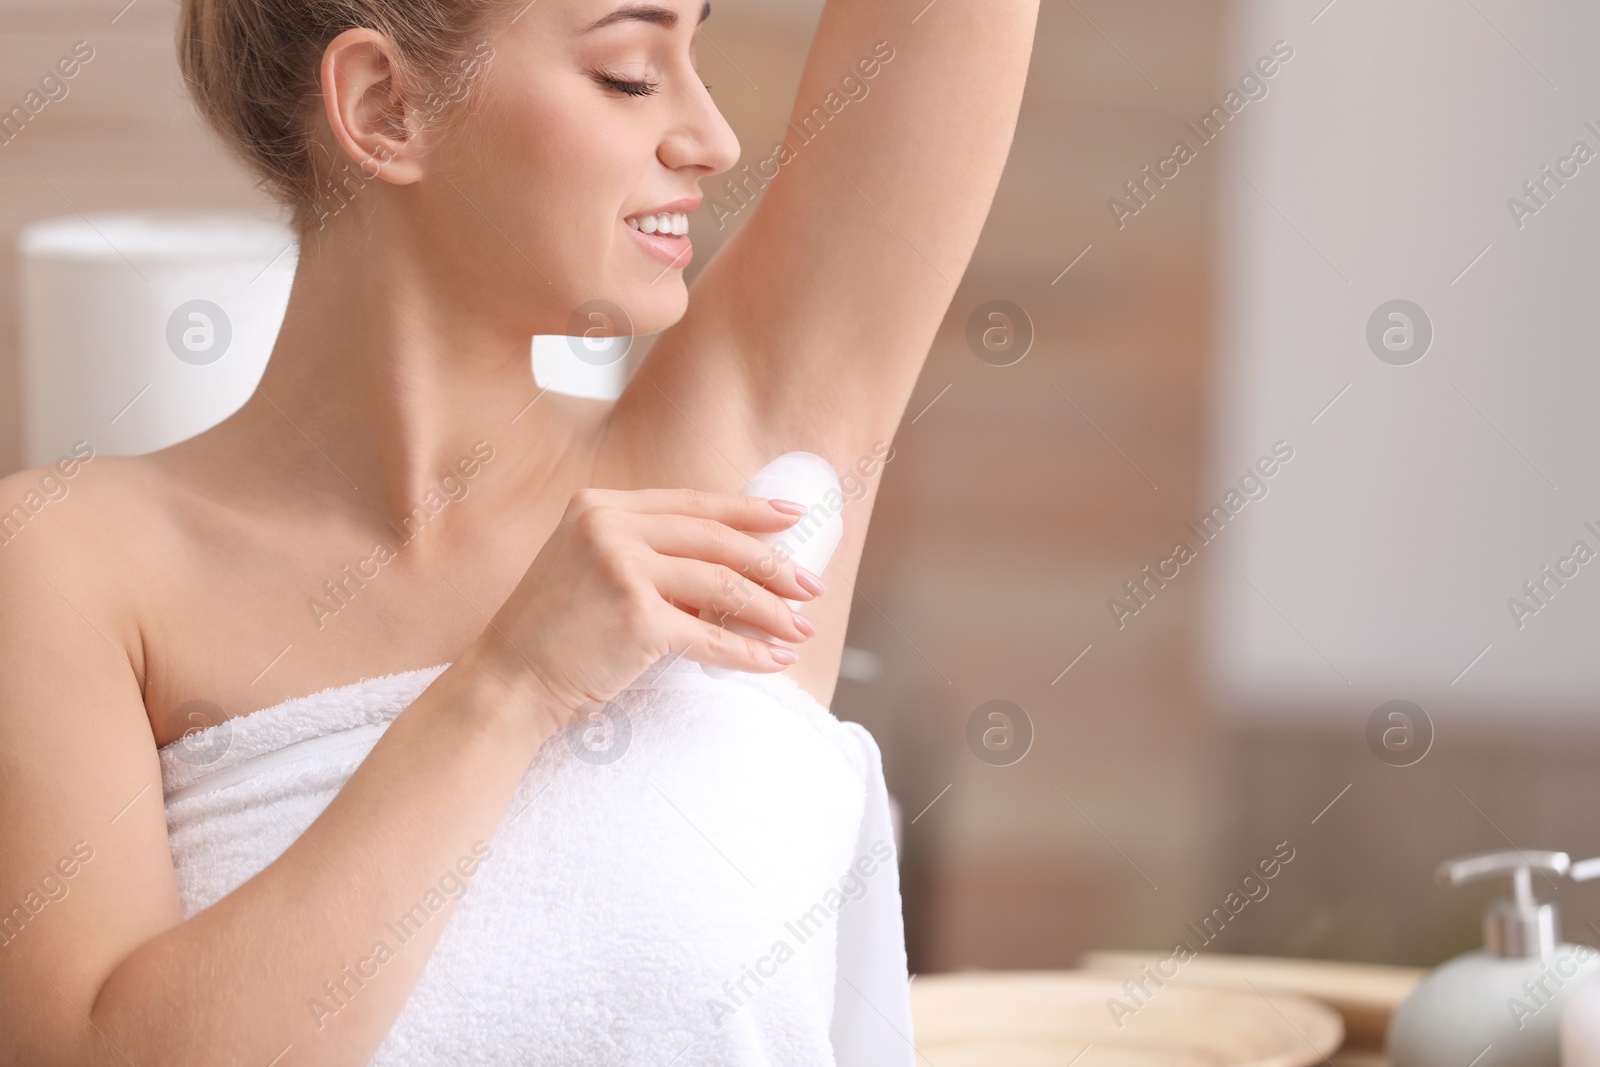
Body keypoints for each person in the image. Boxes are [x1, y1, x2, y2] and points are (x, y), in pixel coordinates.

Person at [0, 0, 1038, 1062]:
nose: (712, 137)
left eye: (695, 55)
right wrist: (509, 685)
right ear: (383, 105)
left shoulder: (739, 469)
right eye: (632, 73)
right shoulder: (67, 566)